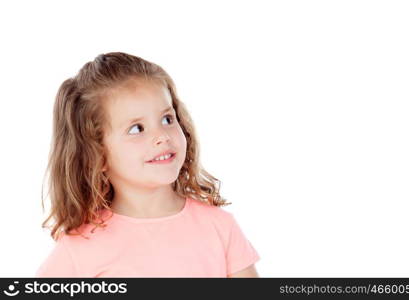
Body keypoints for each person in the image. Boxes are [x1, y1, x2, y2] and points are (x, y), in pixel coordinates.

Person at [35, 52, 260, 278]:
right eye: (137, 128)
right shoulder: (80, 248)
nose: (162, 136)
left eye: (167, 119)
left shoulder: (219, 227)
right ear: (98, 155)